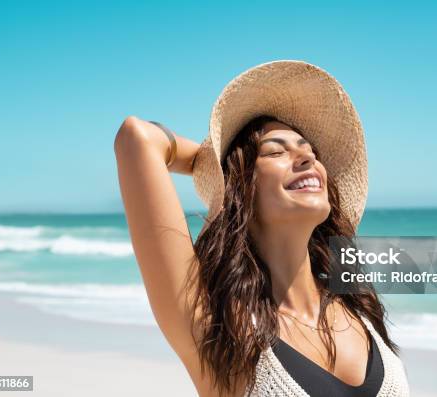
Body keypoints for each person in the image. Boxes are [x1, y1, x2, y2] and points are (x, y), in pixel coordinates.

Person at [114, 60, 410, 397]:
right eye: (275, 152)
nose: (306, 158)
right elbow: (138, 138)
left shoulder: (357, 304)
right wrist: (214, 163)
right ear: (241, 188)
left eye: (310, 151)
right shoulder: (219, 327)